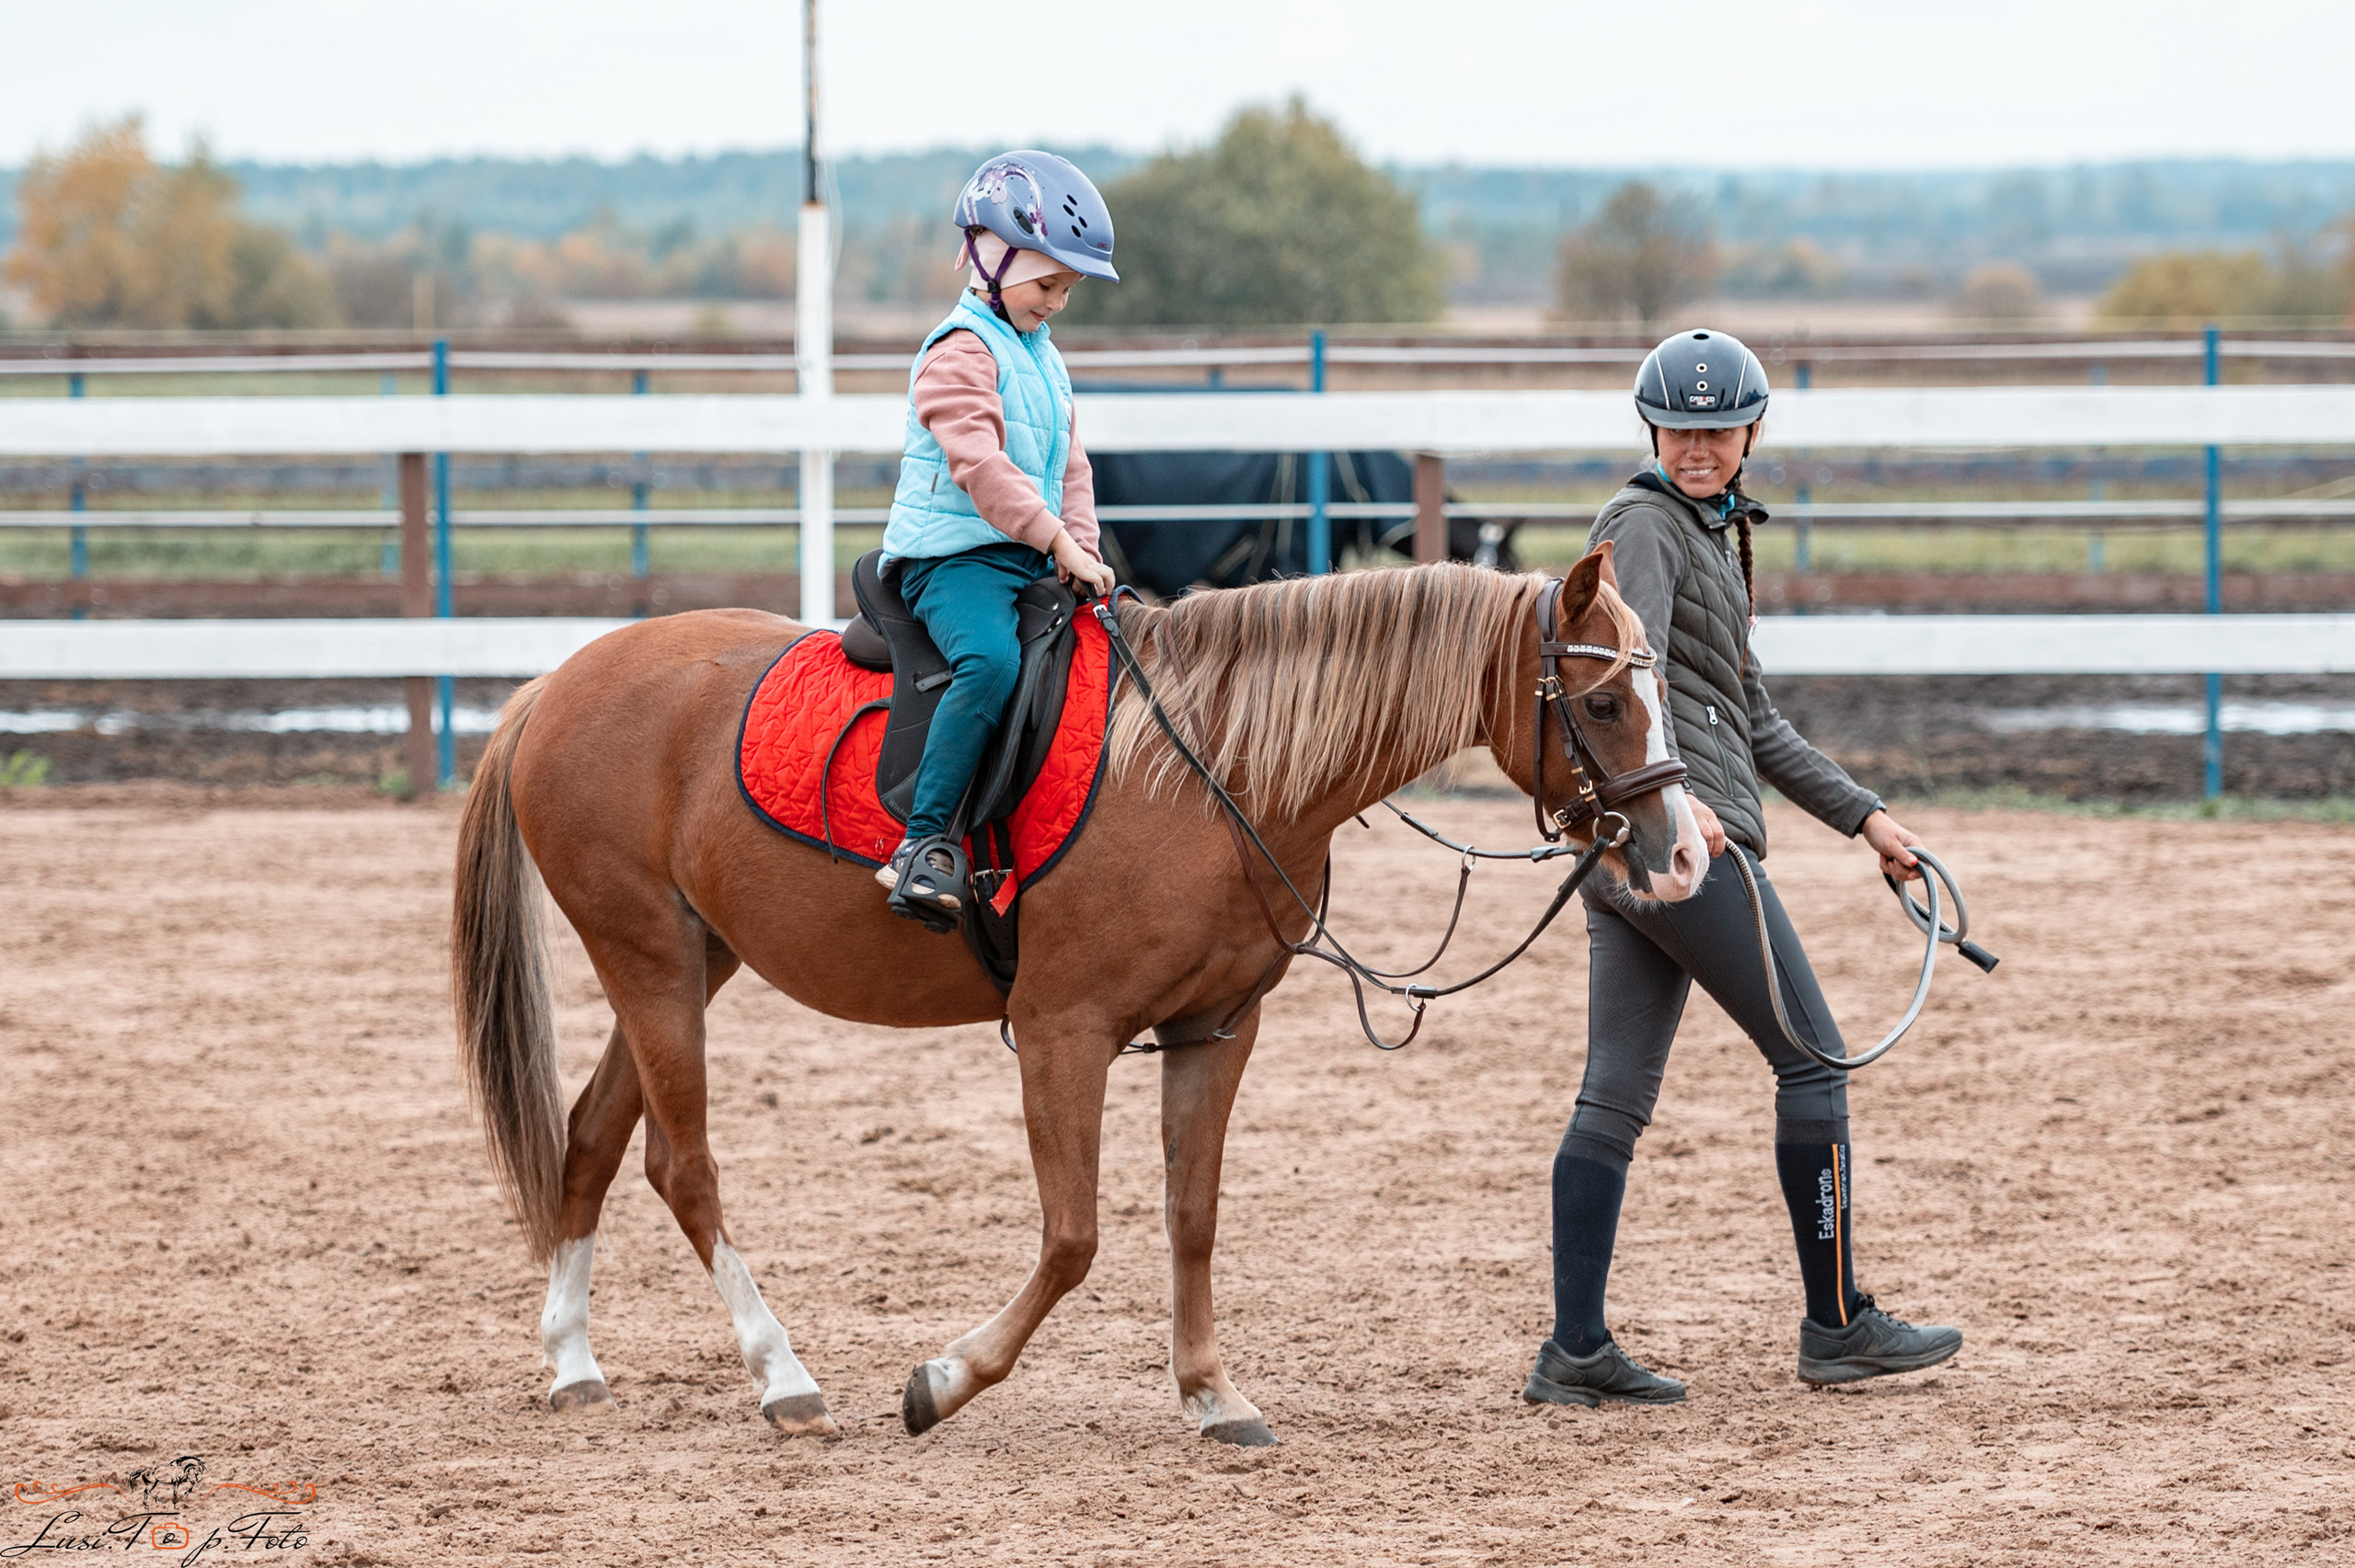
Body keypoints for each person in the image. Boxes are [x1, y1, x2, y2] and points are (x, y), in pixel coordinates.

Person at [1523, 328, 1963, 1408]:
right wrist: (1695, 817)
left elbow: (1748, 712)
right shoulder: (1645, 525)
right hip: (1684, 839)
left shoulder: (1710, 533)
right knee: (1812, 1058)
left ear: (1750, 432)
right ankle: (1837, 1325)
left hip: (1639, 842)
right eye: (1682, 426)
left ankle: (1575, 1350)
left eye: (1720, 428)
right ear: (1652, 429)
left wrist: (1865, 819)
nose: (1701, 445)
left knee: (1614, 1094)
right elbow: (1631, 680)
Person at [872, 151, 1121, 922]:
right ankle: (923, 844)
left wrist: (1084, 545)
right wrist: (1056, 542)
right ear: (990, 256)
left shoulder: (1043, 360)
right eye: (1048, 284)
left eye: (1067, 289)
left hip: (1024, 551)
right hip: (953, 559)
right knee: (988, 664)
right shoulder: (959, 351)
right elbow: (979, 466)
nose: (1058, 303)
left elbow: (1067, 465)